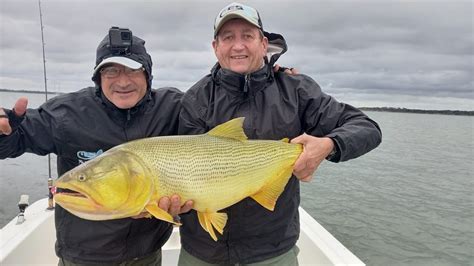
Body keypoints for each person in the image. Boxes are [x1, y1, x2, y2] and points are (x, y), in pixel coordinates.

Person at [177, 2, 382, 265]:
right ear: (215, 47)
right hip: (203, 250)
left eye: (247, 36)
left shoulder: (295, 90)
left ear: (263, 44)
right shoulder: (196, 98)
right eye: (228, 37)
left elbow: (367, 128)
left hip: (273, 249)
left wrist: (329, 145)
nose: (238, 46)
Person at [0, 27, 192, 265]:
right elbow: (19, 136)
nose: (123, 81)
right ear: (98, 76)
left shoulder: (172, 108)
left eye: (133, 70)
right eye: (111, 71)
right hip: (84, 258)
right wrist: (4, 134)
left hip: (147, 255)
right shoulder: (67, 114)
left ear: (147, 75)